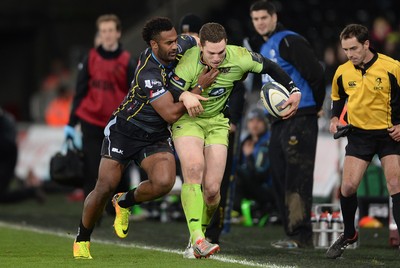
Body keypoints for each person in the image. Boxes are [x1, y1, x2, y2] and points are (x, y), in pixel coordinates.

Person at [72, 16, 210, 260]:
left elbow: (198, 40)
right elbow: (169, 113)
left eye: (175, 39)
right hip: (125, 131)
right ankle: (82, 238)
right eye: (168, 43)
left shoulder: (181, 44)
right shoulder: (149, 71)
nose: (175, 46)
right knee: (104, 186)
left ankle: (123, 202)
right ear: (154, 46)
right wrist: (197, 89)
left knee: (164, 183)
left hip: (154, 135)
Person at [168, 22, 301, 258]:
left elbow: (270, 66)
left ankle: (198, 235)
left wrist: (294, 90)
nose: (217, 58)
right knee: (194, 169)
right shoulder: (188, 60)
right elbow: (173, 88)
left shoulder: (239, 56)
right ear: (201, 47)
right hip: (188, 121)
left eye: (221, 52)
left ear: (226, 44)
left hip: (218, 122)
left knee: (212, 192)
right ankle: (198, 239)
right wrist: (187, 94)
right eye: (211, 53)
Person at [249, 0, 325, 248]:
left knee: (296, 177)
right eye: (255, 19)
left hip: (301, 116)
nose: (260, 22)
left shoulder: (289, 40)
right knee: (279, 176)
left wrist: (316, 105)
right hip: (279, 121)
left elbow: (316, 73)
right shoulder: (265, 45)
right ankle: (291, 233)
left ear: (274, 17)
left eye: (263, 17)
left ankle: (300, 236)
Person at [326, 23, 400, 259]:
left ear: (367, 44)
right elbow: (337, 98)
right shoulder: (342, 71)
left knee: (396, 183)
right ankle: (349, 233)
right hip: (359, 135)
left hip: (389, 135)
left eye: (354, 48)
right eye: (346, 49)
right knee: (347, 187)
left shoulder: (392, 67)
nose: (350, 54)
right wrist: (335, 118)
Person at [65, 14, 135, 200]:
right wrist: (71, 123)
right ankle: (91, 215)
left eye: (111, 30)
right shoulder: (91, 59)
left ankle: (118, 209)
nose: (107, 35)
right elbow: (80, 92)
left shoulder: (127, 61)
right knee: (92, 169)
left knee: (119, 170)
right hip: (91, 121)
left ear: (118, 33)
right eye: (104, 31)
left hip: (117, 125)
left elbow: (133, 94)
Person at [232, 108, 276, 222]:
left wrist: (249, 156)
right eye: (251, 121)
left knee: (235, 172)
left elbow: (260, 175)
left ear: (265, 123)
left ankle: (236, 210)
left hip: (267, 189)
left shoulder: (268, 142)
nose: (254, 125)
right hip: (252, 185)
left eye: (258, 121)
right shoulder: (245, 141)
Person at [0, 107, 45, 204]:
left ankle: (31, 191)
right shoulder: (7, 120)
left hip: (6, 159)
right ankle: (31, 192)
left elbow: (8, 146)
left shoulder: (5, 122)